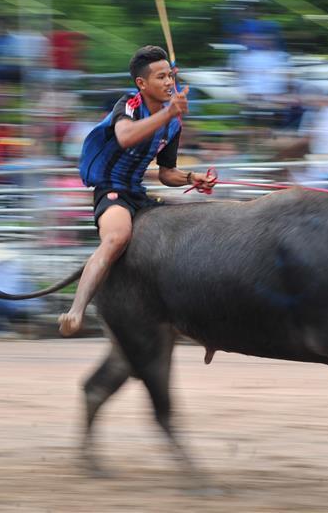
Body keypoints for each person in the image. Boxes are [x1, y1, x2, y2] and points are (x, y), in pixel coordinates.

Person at [58, 46, 215, 336]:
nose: (169, 82)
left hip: (138, 192)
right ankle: (76, 309)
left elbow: (167, 173)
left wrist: (193, 177)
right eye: (160, 77)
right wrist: (169, 112)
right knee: (117, 238)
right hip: (111, 192)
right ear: (142, 84)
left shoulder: (173, 122)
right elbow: (126, 136)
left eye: (170, 76)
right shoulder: (129, 105)